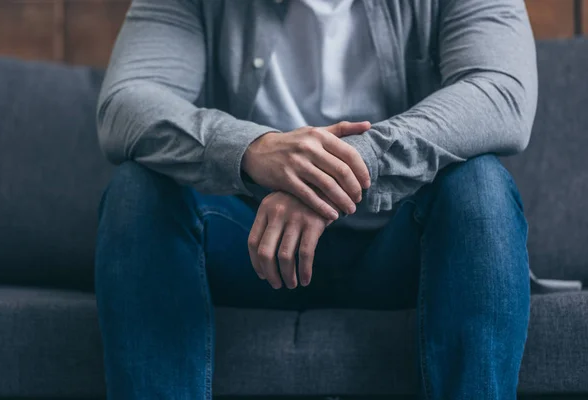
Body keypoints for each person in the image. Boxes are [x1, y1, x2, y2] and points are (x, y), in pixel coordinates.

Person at [94, 0, 537, 398]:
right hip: (252, 248)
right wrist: (254, 150)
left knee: (481, 185)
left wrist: (336, 173)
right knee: (137, 189)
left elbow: (500, 92)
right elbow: (124, 103)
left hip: (401, 248)